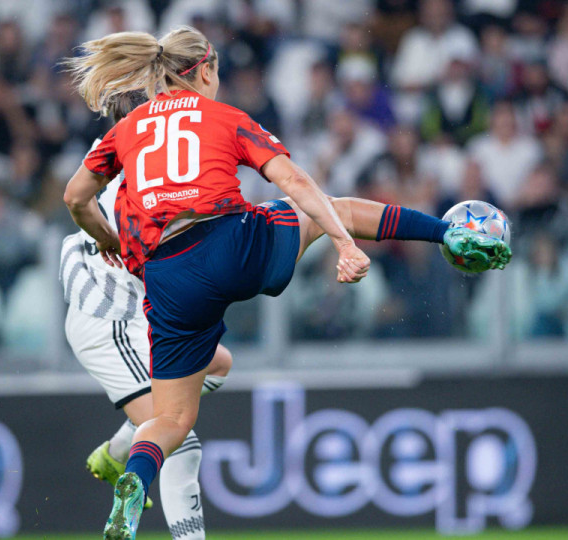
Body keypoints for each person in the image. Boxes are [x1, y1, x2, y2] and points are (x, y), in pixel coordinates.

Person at [62, 26, 510, 540]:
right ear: (205, 70)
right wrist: (342, 243)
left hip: (168, 275)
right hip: (231, 244)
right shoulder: (225, 117)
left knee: (171, 421)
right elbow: (295, 182)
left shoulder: (128, 128)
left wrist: (107, 239)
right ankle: (448, 233)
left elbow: (77, 196)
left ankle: (136, 480)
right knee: (332, 209)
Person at [61, 90, 231, 539]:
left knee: (219, 364)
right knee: (179, 442)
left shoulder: (123, 163)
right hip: (112, 322)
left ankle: (119, 451)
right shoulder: (146, 177)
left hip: (137, 314)